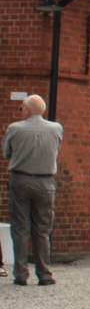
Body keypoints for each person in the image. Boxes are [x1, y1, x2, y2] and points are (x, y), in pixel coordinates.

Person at [3, 94, 63, 286]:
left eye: (22, 108)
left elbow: (6, 153)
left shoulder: (14, 128)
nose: (21, 111)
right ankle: (44, 274)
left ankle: (21, 274)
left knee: (20, 228)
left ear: (27, 110)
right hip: (46, 182)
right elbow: (56, 151)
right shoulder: (56, 128)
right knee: (43, 230)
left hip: (20, 179)